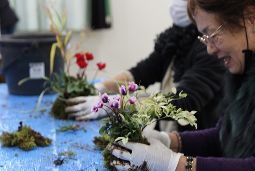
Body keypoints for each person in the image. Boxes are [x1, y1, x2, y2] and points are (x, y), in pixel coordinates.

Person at [109, 0, 255, 171]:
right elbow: (224, 135)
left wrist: (174, 164)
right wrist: (169, 141)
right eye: (204, 38)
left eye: (213, 35)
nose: (209, 49)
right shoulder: (250, 63)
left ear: (251, 19)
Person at [65, 0, 225, 132]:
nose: (176, 4)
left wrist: (120, 103)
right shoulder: (176, 37)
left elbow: (185, 101)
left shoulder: (210, 48)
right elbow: (143, 71)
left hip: (195, 142)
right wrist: (101, 88)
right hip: (167, 132)